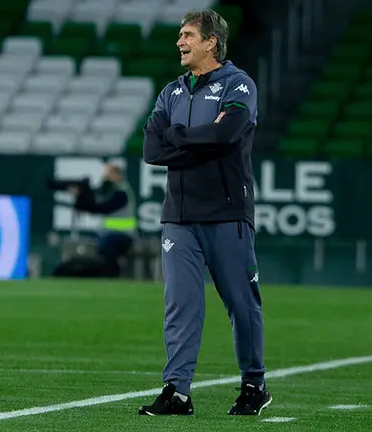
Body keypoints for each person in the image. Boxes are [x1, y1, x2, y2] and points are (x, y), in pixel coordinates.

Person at [138, 8, 271, 417]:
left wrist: (179, 137)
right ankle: (177, 391)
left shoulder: (238, 84)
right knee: (180, 305)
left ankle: (254, 384)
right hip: (178, 215)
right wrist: (199, 139)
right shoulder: (171, 92)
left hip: (227, 213)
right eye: (180, 35)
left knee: (240, 303)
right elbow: (151, 151)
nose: (180, 42)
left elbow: (228, 132)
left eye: (188, 35)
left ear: (211, 42)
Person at [66, 162, 137, 276]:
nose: (106, 177)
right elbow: (97, 199)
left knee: (107, 248)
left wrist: (84, 205)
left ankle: (112, 274)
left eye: (109, 174)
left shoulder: (121, 192)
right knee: (100, 247)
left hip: (123, 235)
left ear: (117, 175)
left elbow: (105, 207)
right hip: (110, 234)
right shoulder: (112, 190)